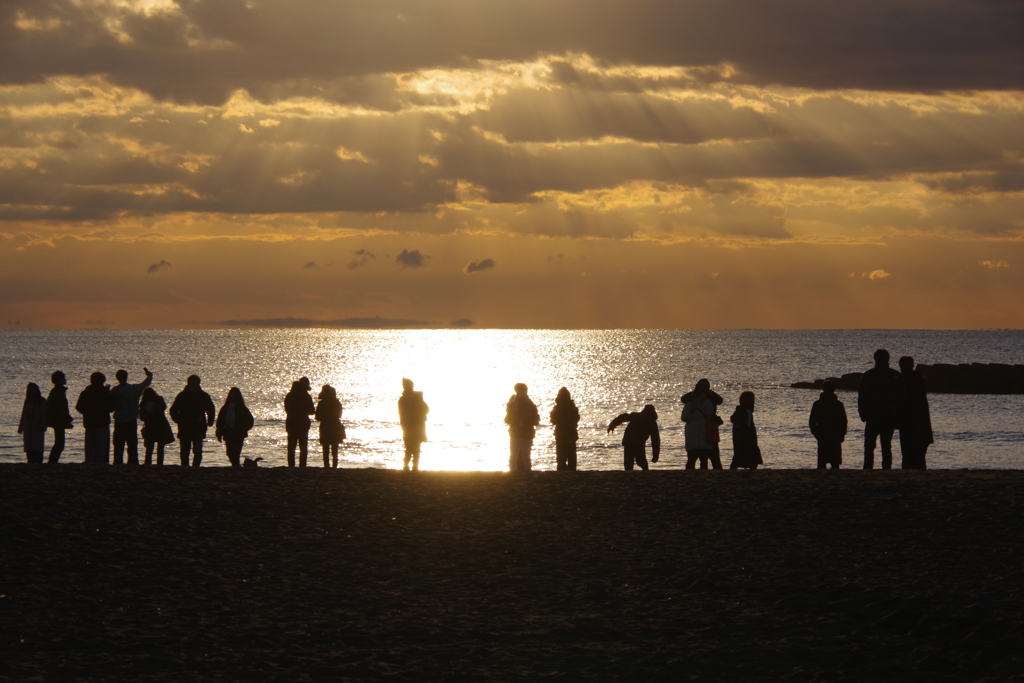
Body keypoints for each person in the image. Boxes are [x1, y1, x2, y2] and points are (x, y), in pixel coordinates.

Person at [857, 349, 904, 469]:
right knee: (886, 445)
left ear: (875, 359)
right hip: (889, 414)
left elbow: (862, 396)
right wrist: (899, 416)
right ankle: (886, 468)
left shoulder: (869, 375)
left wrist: (862, 413)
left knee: (869, 445)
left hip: (873, 414)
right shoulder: (895, 375)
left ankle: (868, 467)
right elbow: (901, 397)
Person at [169, 375, 216, 467]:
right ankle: (185, 466)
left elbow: (211, 409)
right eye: (192, 385)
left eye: (196, 385)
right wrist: (177, 419)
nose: (194, 387)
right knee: (185, 451)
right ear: (188, 384)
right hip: (184, 426)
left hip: (199, 427)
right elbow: (173, 410)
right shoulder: (182, 396)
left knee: (198, 450)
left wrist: (210, 420)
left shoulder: (204, 396)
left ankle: (196, 467)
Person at [110, 367, 153, 465]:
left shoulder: (115, 391)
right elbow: (145, 384)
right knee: (132, 444)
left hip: (119, 421)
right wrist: (149, 375)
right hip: (131, 421)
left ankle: (118, 462)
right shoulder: (134, 389)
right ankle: (133, 462)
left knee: (118, 445)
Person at [898, 356, 933, 470]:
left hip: (907, 420)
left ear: (901, 366)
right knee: (920, 453)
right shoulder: (920, 379)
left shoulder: (902, 379)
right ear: (912, 365)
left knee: (908, 453)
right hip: (922, 420)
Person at [681, 379, 724, 469]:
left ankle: (716, 469)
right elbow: (683, 399)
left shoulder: (709, 396)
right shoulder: (694, 397)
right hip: (709, 426)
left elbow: (720, 401)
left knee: (712, 455)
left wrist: (707, 395)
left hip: (709, 425)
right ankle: (716, 470)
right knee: (710, 455)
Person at [76, 372, 115, 464]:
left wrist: (87, 413)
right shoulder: (105, 392)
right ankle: (100, 464)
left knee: (90, 446)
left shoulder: (86, 392)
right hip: (102, 422)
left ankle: (89, 462)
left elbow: (79, 407)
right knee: (101, 447)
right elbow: (111, 408)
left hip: (89, 422)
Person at [607, 404, 660, 471]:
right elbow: (655, 441)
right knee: (641, 462)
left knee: (629, 463)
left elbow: (622, 417)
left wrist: (612, 425)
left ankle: (631, 475)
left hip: (629, 442)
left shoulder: (636, 416)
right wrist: (655, 456)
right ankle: (646, 473)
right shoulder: (652, 423)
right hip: (638, 443)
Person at [809, 380, 847, 470]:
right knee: (835, 462)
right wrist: (842, 434)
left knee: (822, 461)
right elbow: (843, 421)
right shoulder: (838, 404)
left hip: (823, 434)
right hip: (835, 434)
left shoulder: (818, 404)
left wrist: (816, 433)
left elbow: (812, 421)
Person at [216, 387, 255, 467]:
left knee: (236, 452)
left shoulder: (242, 408)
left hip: (238, 434)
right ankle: (236, 465)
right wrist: (219, 432)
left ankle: (236, 466)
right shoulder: (225, 408)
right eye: (231, 394)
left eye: (234, 395)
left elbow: (250, 421)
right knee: (229, 452)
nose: (233, 396)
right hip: (228, 433)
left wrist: (243, 429)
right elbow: (220, 421)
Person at [505, 383, 540, 471]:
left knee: (520, 456)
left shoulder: (526, 404)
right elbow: (507, 419)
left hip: (521, 433)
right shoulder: (517, 404)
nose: (522, 393)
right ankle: (519, 472)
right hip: (520, 433)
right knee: (521, 456)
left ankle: (515, 472)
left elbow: (507, 420)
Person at [398, 378, 429, 471]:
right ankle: (412, 465)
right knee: (414, 446)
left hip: (410, 425)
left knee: (410, 446)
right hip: (413, 425)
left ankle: (408, 465)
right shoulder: (412, 398)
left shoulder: (404, 399)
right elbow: (426, 409)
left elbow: (425, 409)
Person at [139, 386, 175, 466]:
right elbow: (142, 416)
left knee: (160, 448)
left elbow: (163, 407)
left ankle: (159, 464)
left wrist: (155, 408)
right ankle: (148, 463)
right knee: (149, 447)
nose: (150, 399)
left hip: (160, 426)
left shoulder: (159, 400)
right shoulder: (143, 403)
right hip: (150, 427)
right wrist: (147, 414)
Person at [285, 377, 316, 467]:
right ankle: (302, 466)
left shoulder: (290, 395)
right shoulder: (306, 396)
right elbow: (310, 411)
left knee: (291, 446)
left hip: (291, 423)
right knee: (303, 446)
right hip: (303, 423)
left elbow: (287, 409)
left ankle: (291, 466)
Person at [729, 391, 762, 469]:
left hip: (738, 439)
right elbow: (748, 426)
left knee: (737, 457)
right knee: (752, 459)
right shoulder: (747, 412)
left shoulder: (738, 412)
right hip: (747, 439)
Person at [550, 387, 581, 471]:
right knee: (571, 456)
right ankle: (572, 471)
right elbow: (577, 418)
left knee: (561, 456)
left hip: (560, 433)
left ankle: (561, 470)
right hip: (571, 432)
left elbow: (552, 420)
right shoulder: (572, 407)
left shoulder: (557, 408)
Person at [46, 371, 73, 464]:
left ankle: (52, 461)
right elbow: (61, 408)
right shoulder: (59, 392)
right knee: (60, 443)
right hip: (58, 420)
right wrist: (66, 419)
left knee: (59, 442)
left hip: (56, 419)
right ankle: (52, 461)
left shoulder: (55, 391)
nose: (65, 379)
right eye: (63, 378)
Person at [315, 384, 345, 468]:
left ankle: (326, 466)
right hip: (335, 425)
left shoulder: (322, 403)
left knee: (325, 448)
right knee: (334, 447)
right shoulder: (336, 402)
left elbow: (317, 417)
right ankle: (334, 466)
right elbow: (339, 414)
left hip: (325, 425)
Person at [18, 383, 49, 463]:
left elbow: (44, 414)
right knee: (29, 448)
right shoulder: (28, 401)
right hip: (28, 427)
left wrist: (43, 426)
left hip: (37, 428)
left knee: (38, 448)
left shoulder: (41, 401)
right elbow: (23, 414)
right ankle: (30, 461)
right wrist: (21, 426)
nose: (30, 391)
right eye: (29, 389)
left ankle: (38, 462)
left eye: (32, 389)